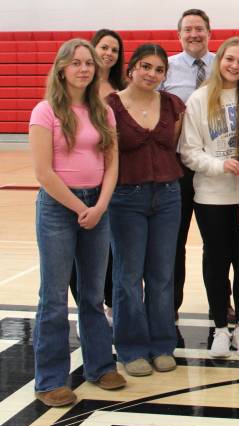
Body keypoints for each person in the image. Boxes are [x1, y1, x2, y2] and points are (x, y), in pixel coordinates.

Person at [29, 38, 124, 406]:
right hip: (57, 208)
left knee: (93, 294)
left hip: (96, 207)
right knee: (53, 298)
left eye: (88, 63)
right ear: (62, 69)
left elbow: (112, 163)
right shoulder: (45, 111)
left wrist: (99, 205)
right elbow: (42, 172)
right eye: (76, 63)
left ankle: (101, 366)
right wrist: (78, 207)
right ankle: (50, 379)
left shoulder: (103, 111)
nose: (84, 68)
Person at [180, 37, 239, 358]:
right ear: (220, 60)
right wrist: (219, 165)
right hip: (211, 197)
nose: (234, 66)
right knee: (216, 263)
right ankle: (219, 328)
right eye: (230, 59)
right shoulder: (199, 99)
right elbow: (189, 151)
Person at [107, 44, 185, 376]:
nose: (151, 74)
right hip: (126, 199)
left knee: (162, 276)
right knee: (127, 277)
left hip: (168, 196)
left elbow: (175, 147)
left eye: (158, 69)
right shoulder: (110, 106)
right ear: (131, 69)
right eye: (145, 66)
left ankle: (162, 344)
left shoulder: (172, 105)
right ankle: (131, 348)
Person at [160, 9, 217, 321]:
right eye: (188, 30)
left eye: (199, 29)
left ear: (210, 32)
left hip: (215, 166)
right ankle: (170, 306)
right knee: (174, 242)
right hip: (178, 167)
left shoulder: (224, 64)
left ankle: (221, 305)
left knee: (217, 244)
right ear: (178, 35)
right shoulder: (165, 69)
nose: (194, 34)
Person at [68, 29, 126, 329]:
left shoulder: (120, 88)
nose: (108, 54)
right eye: (103, 47)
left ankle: (111, 303)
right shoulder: (72, 93)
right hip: (80, 184)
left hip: (115, 180)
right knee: (79, 250)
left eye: (114, 50)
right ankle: (87, 310)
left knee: (111, 248)